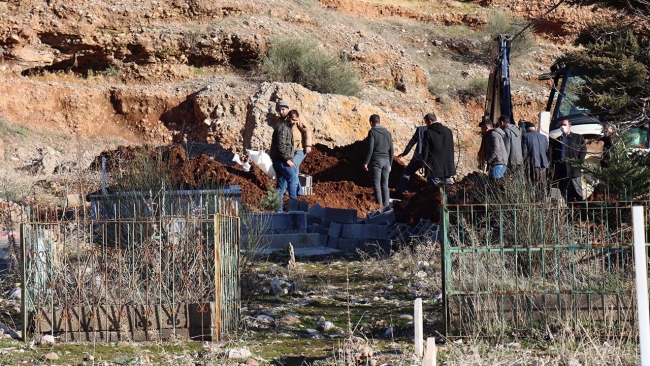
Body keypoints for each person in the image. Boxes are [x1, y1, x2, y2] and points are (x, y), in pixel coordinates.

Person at [549, 118, 587, 202]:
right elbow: (554, 155)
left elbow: (583, 152)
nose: (562, 127)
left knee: (577, 192)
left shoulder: (578, 138)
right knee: (565, 193)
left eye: (564, 125)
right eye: (561, 125)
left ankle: (581, 210)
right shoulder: (558, 140)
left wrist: (578, 163)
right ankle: (570, 211)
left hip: (574, 170)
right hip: (562, 171)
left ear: (570, 126)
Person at [394, 115, 431, 197]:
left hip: (418, 157)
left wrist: (405, 153)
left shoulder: (420, 130)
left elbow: (412, 142)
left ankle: (399, 192)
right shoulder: (435, 131)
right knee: (430, 177)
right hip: (430, 158)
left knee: (407, 173)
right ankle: (430, 195)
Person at [270, 105, 298, 210]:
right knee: (293, 179)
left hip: (280, 160)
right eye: (293, 120)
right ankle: (294, 207)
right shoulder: (283, 128)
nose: (295, 122)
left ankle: (279, 210)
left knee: (281, 186)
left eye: (296, 120)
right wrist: (287, 159)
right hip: (282, 161)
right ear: (288, 118)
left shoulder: (287, 127)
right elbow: (281, 146)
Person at [363, 114, 394, 207]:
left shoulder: (372, 132)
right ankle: (387, 206)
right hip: (387, 161)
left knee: (376, 183)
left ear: (371, 122)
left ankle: (379, 206)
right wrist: (390, 163)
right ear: (379, 122)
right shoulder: (388, 133)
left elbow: (370, 148)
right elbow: (392, 150)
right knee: (385, 185)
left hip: (377, 160)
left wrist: (366, 162)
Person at [421, 114, 456, 185]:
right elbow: (451, 149)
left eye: (426, 123)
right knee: (447, 191)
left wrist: (423, 163)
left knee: (434, 192)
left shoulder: (428, 132)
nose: (426, 125)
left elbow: (426, 150)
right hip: (447, 167)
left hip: (433, 168)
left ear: (430, 121)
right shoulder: (448, 131)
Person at [287, 109, 313, 196]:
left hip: (301, 148)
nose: (282, 112)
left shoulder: (297, 118)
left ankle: (298, 191)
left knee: (293, 164)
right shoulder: (284, 122)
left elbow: (307, 130)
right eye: (280, 110)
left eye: (283, 110)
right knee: (293, 168)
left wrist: (308, 145)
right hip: (290, 150)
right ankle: (296, 191)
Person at [521, 121, 548, 186]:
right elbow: (546, 150)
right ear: (534, 128)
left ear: (526, 129)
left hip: (532, 164)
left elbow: (525, 153)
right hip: (543, 164)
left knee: (532, 184)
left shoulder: (525, 136)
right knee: (542, 185)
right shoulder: (544, 137)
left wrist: (523, 163)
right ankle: (543, 196)